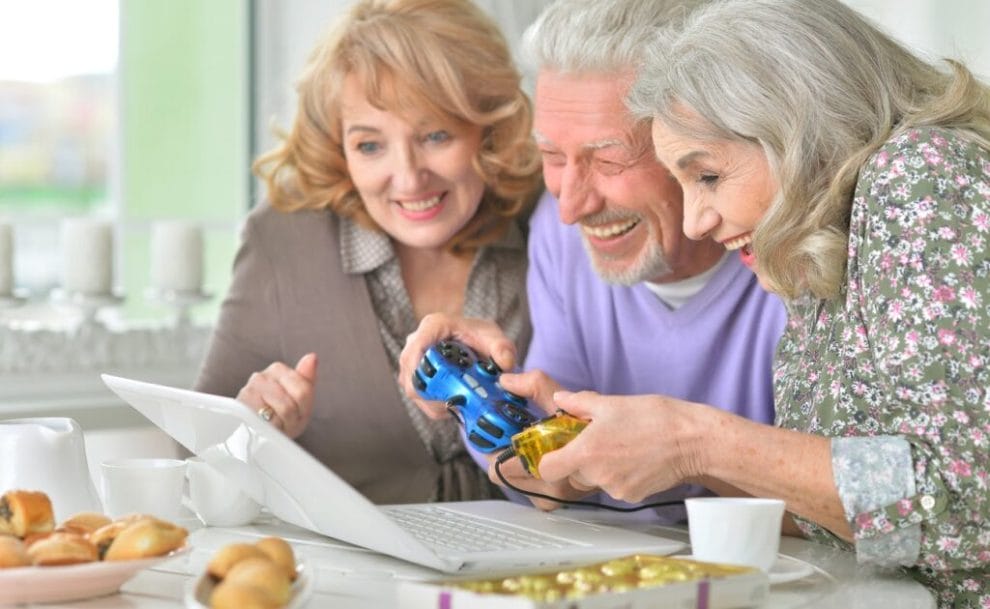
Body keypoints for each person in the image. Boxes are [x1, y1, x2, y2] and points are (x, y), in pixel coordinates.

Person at [532, 0, 986, 604]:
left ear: (800, 127)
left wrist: (696, 439)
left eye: (708, 176)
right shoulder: (813, 249)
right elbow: (871, 523)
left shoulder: (921, 172)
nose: (696, 221)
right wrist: (638, 445)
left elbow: (965, 511)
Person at [399, 0, 787, 519]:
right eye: (553, 158)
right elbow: (554, 488)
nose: (570, 207)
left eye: (608, 160)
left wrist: (686, 452)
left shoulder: (792, 254)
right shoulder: (560, 239)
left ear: (699, 145)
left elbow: (855, 505)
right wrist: (479, 400)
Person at [194, 0, 542, 505]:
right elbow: (195, 451)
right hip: (345, 574)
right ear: (340, 148)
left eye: (436, 135)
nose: (407, 176)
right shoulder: (284, 240)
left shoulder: (549, 224)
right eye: (370, 146)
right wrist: (259, 426)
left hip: (534, 567)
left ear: (488, 126)